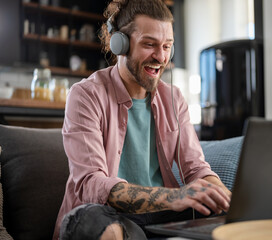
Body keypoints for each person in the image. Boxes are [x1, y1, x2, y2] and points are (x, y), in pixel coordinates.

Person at [53, 0, 231, 239]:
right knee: (95, 221)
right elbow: (91, 184)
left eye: (167, 46)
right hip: (104, 213)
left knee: (218, 217)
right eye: (150, 44)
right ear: (121, 44)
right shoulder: (85, 95)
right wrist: (176, 197)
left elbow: (195, 167)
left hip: (160, 212)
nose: (161, 57)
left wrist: (221, 195)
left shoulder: (174, 98)